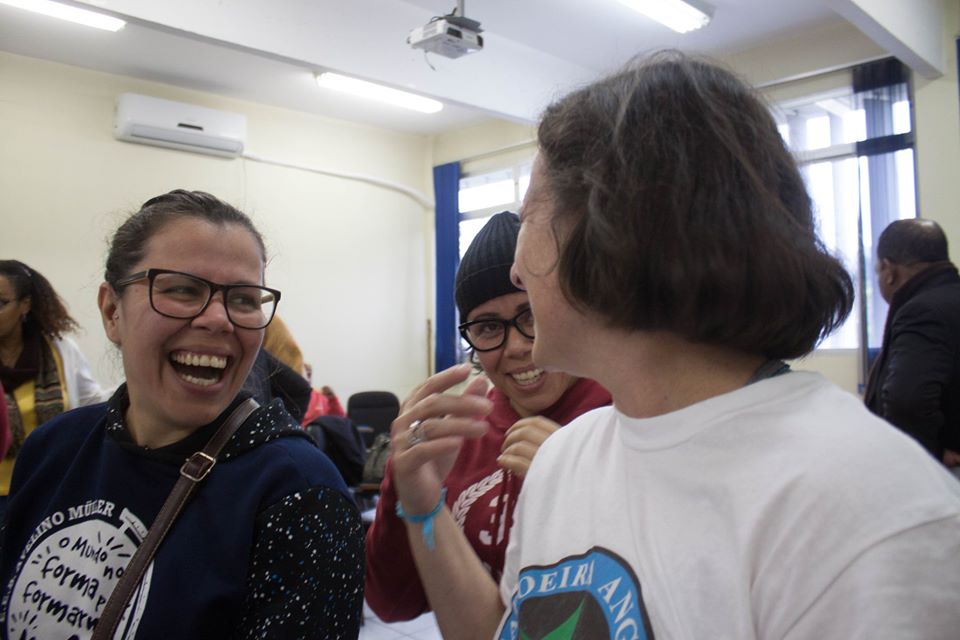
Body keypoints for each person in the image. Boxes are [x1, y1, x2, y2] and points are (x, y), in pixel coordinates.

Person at [385, 52, 960, 639]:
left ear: (613, 236)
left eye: (530, 216)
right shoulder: (565, 457)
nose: (514, 270)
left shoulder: (868, 508)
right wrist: (425, 507)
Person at [0, 190, 364, 638]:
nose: (219, 319)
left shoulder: (299, 494)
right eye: (182, 290)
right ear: (112, 312)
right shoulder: (54, 448)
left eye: (244, 299)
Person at [364, 211, 611, 621]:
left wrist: (578, 483)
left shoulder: (622, 414)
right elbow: (392, 603)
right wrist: (404, 486)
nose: (516, 347)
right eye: (488, 327)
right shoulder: (461, 434)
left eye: (531, 315)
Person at [0, 260, 106, 521]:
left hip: (48, 487)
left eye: (1, 303)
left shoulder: (58, 350)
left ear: (25, 305)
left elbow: (91, 401)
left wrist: (136, 384)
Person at [864, 218, 960, 469]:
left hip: (939, 472)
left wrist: (929, 454)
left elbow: (907, 400)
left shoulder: (920, 311)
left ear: (889, 271)